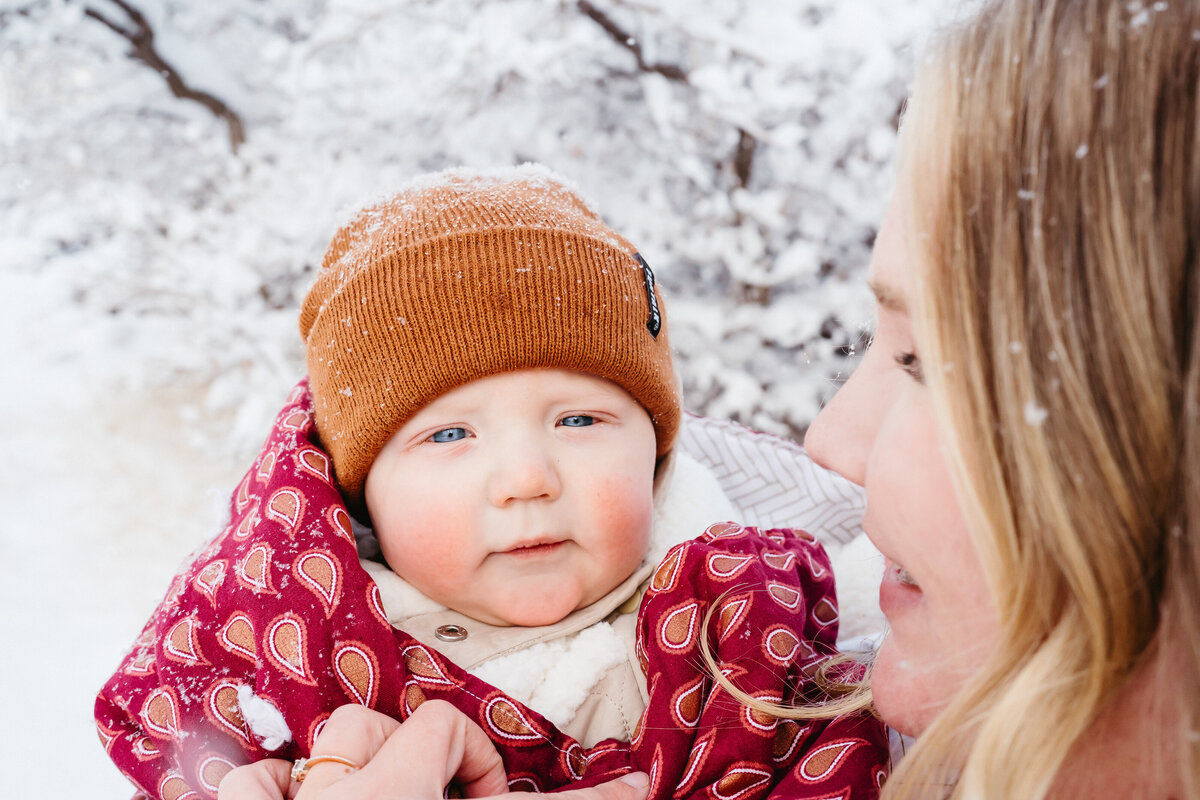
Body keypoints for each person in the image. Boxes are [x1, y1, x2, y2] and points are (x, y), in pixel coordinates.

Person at [223, 0, 1200, 797]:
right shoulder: (293, 663)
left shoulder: (775, 645)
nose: (828, 439)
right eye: (446, 433)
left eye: (920, 360)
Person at [95, 165, 888, 800]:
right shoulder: (293, 678)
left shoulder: (769, 620)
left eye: (578, 422)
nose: (525, 479)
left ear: (656, 451)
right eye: (448, 435)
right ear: (362, 492)